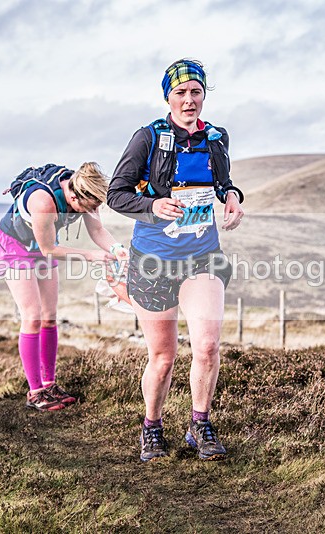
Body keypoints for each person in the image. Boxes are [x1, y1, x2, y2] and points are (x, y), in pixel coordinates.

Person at [108, 59, 244, 462]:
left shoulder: (216, 138)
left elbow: (223, 183)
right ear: (168, 96)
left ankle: (199, 424)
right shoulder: (146, 138)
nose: (189, 100)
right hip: (153, 261)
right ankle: (152, 427)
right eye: (181, 93)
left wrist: (233, 198)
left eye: (196, 92)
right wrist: (154, 205)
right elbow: (117, 194)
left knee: (206, 346)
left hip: (202, 256)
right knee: (163, 357)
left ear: (204, 95)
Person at [0, 162, 128, 411]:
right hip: (15, 247)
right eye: (90, 207)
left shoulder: (85, 193)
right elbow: (49, 249)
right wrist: (89, 256)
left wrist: (117, 249)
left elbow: (97, 230)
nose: (93, 210)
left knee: (50, 317)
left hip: (42, 246)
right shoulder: (43, 203)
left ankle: (50, 383)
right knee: (32, 317)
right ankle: (36, 393)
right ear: (74, 196)